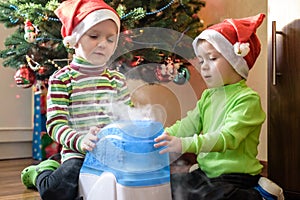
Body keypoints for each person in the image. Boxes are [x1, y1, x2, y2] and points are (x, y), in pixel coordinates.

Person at [154, 13, 281, 200]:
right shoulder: (208, 96)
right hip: (208, 172)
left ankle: (258, 195)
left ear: (237, 62)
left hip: (236, 176)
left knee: (210, 196)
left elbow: (226, 138)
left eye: (212, 59)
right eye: (202, 60)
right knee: (172, 186)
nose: (204, 67)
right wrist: (163, 135)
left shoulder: (247, 99)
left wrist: (184, 144)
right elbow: (188, 124)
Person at [20, 0, 131, 199]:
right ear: (75, 38)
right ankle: (41, 172)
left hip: (112, 154)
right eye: (94, 36)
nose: (103, 44)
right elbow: (55, 124)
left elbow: (127, 119)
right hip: (77, 152)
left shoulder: (117, 80)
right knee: (58, 190)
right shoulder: (62, 79)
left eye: (110, 39)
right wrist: (80, 141)